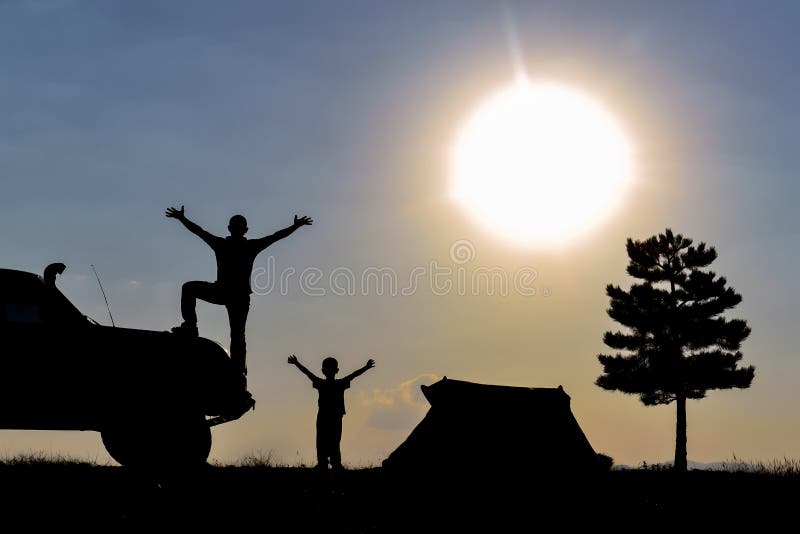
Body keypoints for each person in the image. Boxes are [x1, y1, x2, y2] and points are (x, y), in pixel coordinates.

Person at [166, 205, 312, 376]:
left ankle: (236, 367)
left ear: (236, 229)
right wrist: (295, 226)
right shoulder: (239, 245)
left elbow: (199, 231)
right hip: (230, 293)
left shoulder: (228, 245)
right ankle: (192, 328)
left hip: (232, 295)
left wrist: (182, 219)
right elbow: (275, 237)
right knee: (236, 334)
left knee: (237, 335)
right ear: (243, 230)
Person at [288, 354, 375, 472]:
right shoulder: (339, 384)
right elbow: (354, 375)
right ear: (337, 370)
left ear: (323, 371)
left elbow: (308, 373)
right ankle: (330, 464)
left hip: (328, 417)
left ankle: (327, 464)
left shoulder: (323, 383)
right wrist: (366, 367)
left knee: (326, 440)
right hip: (332, 417)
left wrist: (297, 363)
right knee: (331, 440)